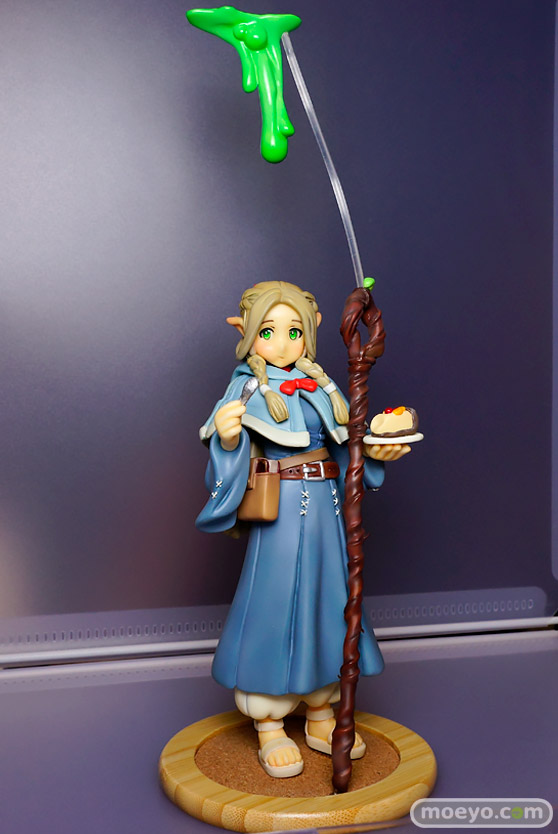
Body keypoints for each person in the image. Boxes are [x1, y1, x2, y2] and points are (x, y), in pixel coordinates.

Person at [196, 281, 409, 778]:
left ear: (311, 332)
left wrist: (375, 452)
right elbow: (223, 466)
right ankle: (270, 724)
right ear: (246, 332)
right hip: (281, 515)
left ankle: (320, 712)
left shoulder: (323, 387)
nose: (283, 343)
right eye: (268, 331)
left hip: (328, 515)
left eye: (294, 331)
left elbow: (345, 451)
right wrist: (228, 440)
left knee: (329, 602)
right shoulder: (246, 389)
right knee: (276, 603)